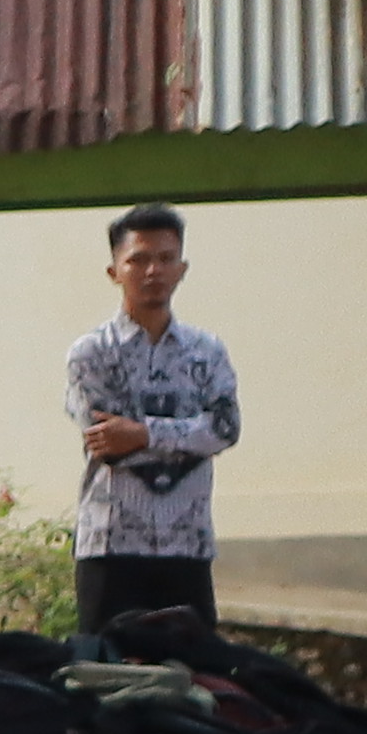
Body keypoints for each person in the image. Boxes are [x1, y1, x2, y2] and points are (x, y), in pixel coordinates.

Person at [69, 203, 237, 639]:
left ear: (182, 268)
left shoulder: (207, 352)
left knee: (195, 680)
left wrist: (143, 433)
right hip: (111, 544)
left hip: (188, 543)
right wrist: (187, 434)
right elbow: (107, 442)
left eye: (165, 259)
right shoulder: (92, 354)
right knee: (105, 680)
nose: (152, 271)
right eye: (138, 259)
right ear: (114, 271)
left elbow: (225, 429)